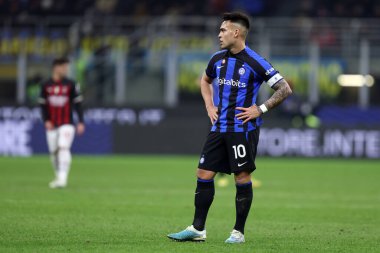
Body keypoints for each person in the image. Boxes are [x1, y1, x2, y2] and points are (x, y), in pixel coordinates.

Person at [167, 12, 292, 243]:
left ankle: (238, 232)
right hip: (218, 128)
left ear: (237, 32)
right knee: (203, 174)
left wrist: (260, 109)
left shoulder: (255, 61)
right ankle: (197, 229)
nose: (219, 34)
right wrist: (209, 105)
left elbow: (284, 89)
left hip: (242, 129)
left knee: (241, 177)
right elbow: (205, 80)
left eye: (223, 30)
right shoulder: (216, 59)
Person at [38, 58, 85, 188]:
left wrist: (81, 121)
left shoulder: (71, 84)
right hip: (52, 124)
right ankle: (58, 176)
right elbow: (42, 105)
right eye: (64, 67)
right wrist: (46, 120)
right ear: (56, 67)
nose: (66, 70)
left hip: (67, 123)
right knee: (54, 152)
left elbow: (78, 104)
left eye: (66, 67)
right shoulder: (45, 85)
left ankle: (62, 179)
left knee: (63, 147)